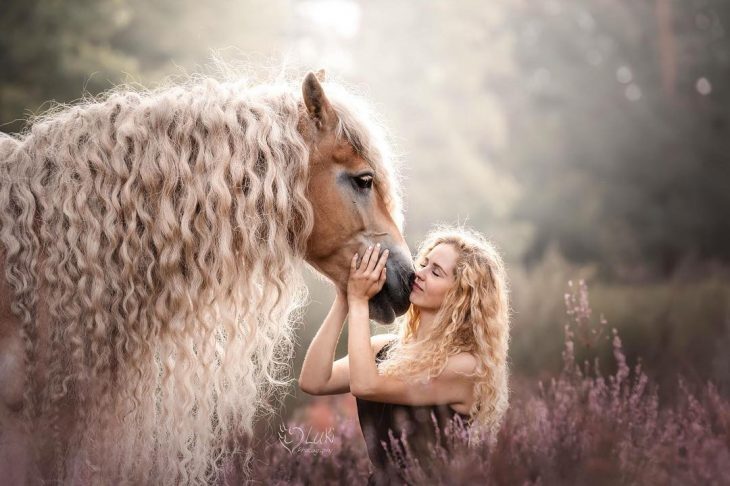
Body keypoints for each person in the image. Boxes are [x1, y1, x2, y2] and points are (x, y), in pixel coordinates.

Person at [299, 226, 511, 484]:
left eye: (435, 272)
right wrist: (344, 299)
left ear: (461, 296)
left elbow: (365, 385)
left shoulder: (465, 367)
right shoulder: (384, 348)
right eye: (424, 263)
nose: (418, 274)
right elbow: (314, 381)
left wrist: (359, 302)